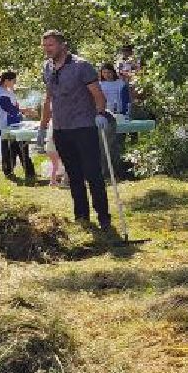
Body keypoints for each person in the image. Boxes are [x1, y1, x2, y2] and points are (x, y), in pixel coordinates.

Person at [36, 30, 114, 231]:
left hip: (84, 126)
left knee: (92, 173)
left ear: (63, 45)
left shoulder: (81, 66)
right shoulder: (47, 67)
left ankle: (104, 217)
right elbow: (48, 98)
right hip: (61, 129)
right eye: (44, 46)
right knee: (73, 174)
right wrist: (43, 127)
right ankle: (81, 216)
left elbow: (98, 95)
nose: (47, 49)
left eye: (50, 45)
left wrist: (100, 113)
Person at [0, 70, 36, 183]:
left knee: (21, 147)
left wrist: (22, 110)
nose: (15, 83)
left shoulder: (7, 90)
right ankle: (10, 172)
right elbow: (9, 109)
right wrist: (25, 111)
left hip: (15, 124)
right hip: (6, 125)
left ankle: (29, 172)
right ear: (6, 81)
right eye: (14, 81)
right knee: (10, 150)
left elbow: (15, 107)